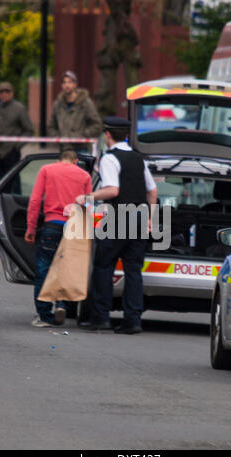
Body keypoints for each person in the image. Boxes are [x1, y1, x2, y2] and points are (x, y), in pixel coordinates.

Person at [76, 117, 158, 334]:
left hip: (117, 216)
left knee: (104, 266)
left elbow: (112, 190)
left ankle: (101, 317)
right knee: (133, 271)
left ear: (108, 134)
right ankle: (133, 321)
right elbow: (152, 191)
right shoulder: (138, 159)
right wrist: (150, 219)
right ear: (127, 135)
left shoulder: (109, 159)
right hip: (139, 217)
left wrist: (88, 197)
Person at [25, 150, 92, 328]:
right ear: (76, 161)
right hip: (74, 226)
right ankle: (62, 304)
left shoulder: (47, 170)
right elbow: (88, 204)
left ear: (59, 160)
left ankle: (44, 315)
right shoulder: (84, 175)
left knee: (44, 269)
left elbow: (35, 200)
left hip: (52, 225)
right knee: (66, 268)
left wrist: (31, 227)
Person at [0, 82, 33, 187]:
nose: (4, 94)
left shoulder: (19, 108)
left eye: (7, 91)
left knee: (13, 183)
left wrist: (16, 146)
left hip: (11, 153)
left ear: (12, 93)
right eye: (1, 92)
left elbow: (29, 130)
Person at [48, 70, 102, 151]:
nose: (67, 85)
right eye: (64, 82)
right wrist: (59, 138)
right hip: (64, 149)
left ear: (75, 84)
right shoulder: (57, 104)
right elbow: (51, 126)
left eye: (70, 82)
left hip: (81, 149)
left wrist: (82, 135)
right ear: (61, 85)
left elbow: (97, 125)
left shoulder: (85, 103)